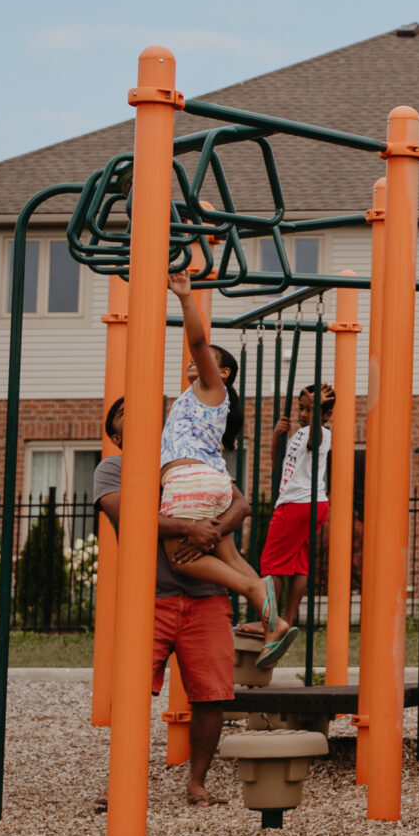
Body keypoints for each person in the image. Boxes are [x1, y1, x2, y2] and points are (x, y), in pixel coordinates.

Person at [94, 402, 251, 807]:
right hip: (148, 599)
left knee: (212, 695)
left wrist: (210, 532)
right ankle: (123, 781)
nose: (141, 414)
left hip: (207, 598)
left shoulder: (191, 458)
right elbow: (128, 516)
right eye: (125, 413)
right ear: (116, 435)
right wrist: (188, 527)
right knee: (131, 692)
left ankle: (197, 783)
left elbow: (239, 503)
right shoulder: (113, 470)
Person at [154, 267, 295, 655]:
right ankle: (275, 623)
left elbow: (198, 340)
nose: (193, 361)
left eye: (205, 360)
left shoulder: (211, 387)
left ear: (223, 372)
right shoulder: (196, 399)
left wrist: (185, 296)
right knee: (230, 555)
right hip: (213, 481)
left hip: (190, 481)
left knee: (180, 559)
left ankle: (252, 590)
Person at [260, 383, 335, 626]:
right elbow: (279, 468)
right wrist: (275, 439)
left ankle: (271, 623)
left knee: (271, 564)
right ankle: (287, 620)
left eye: (310, 410)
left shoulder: (321, 434)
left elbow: (316, 437)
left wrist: (314, 411)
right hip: (307, 504)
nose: (303, 414)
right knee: (298, 565)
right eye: (301, 408)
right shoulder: (298, 434)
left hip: (298, 504)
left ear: (325, 415)